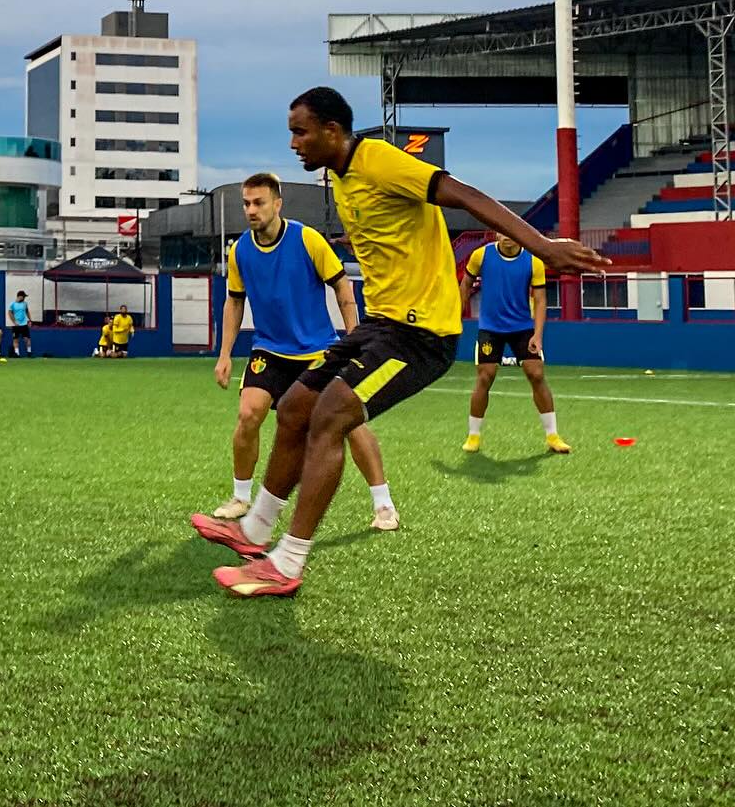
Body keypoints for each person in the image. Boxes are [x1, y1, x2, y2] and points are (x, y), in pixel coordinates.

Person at [209, 86, 607, 598]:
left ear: (333, 131)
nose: (293, 143)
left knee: (329, 415)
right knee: (293, 408)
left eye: (300, 131)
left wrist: (544, 246)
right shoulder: (343, 179)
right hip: (382, 325)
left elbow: (466, 195)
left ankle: (286, 563)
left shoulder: (378, 160)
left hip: (422, 335)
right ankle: (254, 531)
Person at [190, 172, 399, 536]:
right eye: (246, 203)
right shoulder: (240, 250)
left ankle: (384, 505)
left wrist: (354, 343)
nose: (251, 210)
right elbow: (234, 303)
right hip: (269, 349)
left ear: (277, 204)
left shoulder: (307, 239)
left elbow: (343, 287)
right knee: (248, 413)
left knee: (352, 424)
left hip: (318, 350)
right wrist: (224, 353)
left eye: (259, 203)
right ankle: (241, 497)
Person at [460, 236, 572, 454]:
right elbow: (465, 284)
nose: (506, 237)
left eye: (509, 232)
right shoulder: (481, 256)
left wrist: (538, 335)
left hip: (522, 327)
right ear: (496, 234)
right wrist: (455, 317)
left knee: (537, 374)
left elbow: (540, 300)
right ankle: (473, 436)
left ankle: (553, 436)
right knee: (485, 376)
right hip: (490, 327)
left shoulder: (533, 261)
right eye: (501, 233)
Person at [7, 290, 33, 357]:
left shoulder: (25, 304)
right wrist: (14, 322)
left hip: (24, 324)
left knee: (27, 339)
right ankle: (17, 353)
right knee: (16, 339)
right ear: (19, 296)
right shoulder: (13, 304)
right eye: (23, 296)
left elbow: (27, 312)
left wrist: (30, 320)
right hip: (16, 325)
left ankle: (29, 353)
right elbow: (10, 313)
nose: (24, 298)